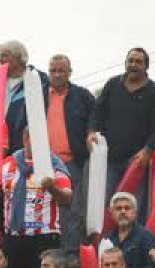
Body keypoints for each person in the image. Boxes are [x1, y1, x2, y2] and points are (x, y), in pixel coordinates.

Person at [87, 47, 155, 211]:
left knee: (133, 205)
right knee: (106, 206)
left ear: (146, 66)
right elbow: (98, 111)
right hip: (109, 158)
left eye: (138, 62)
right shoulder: (112, 85)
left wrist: (147, 150)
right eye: (130, 61)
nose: (133, 64)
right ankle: (107, 237)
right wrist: (91, 132)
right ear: (125, 63)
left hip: (137, 161)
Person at [0, 128, 72, 268]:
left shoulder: (54, 165)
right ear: (25, 139)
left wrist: (51, 187)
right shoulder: (7, 164)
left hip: (45, 235)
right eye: (35, 139)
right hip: (14, 236)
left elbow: (67, 198)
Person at [43, 54, 95, 248]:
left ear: (69, 73)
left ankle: (72, 254)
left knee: (73, 209)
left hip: (73, 162)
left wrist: (90, 133)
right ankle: (49, 255)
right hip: (44, 163)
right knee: (44, 208)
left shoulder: (82, 95)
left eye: (61, 71)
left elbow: (95, 119)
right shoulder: (37, 95)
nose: (56, 75)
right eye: (53, 71)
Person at [106, 192, 155, 268]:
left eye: (127, 208)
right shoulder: (107, 239)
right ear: (112, 213)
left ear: (135, 213)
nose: (123, 212)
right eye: (118, 208)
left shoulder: (146, 237)